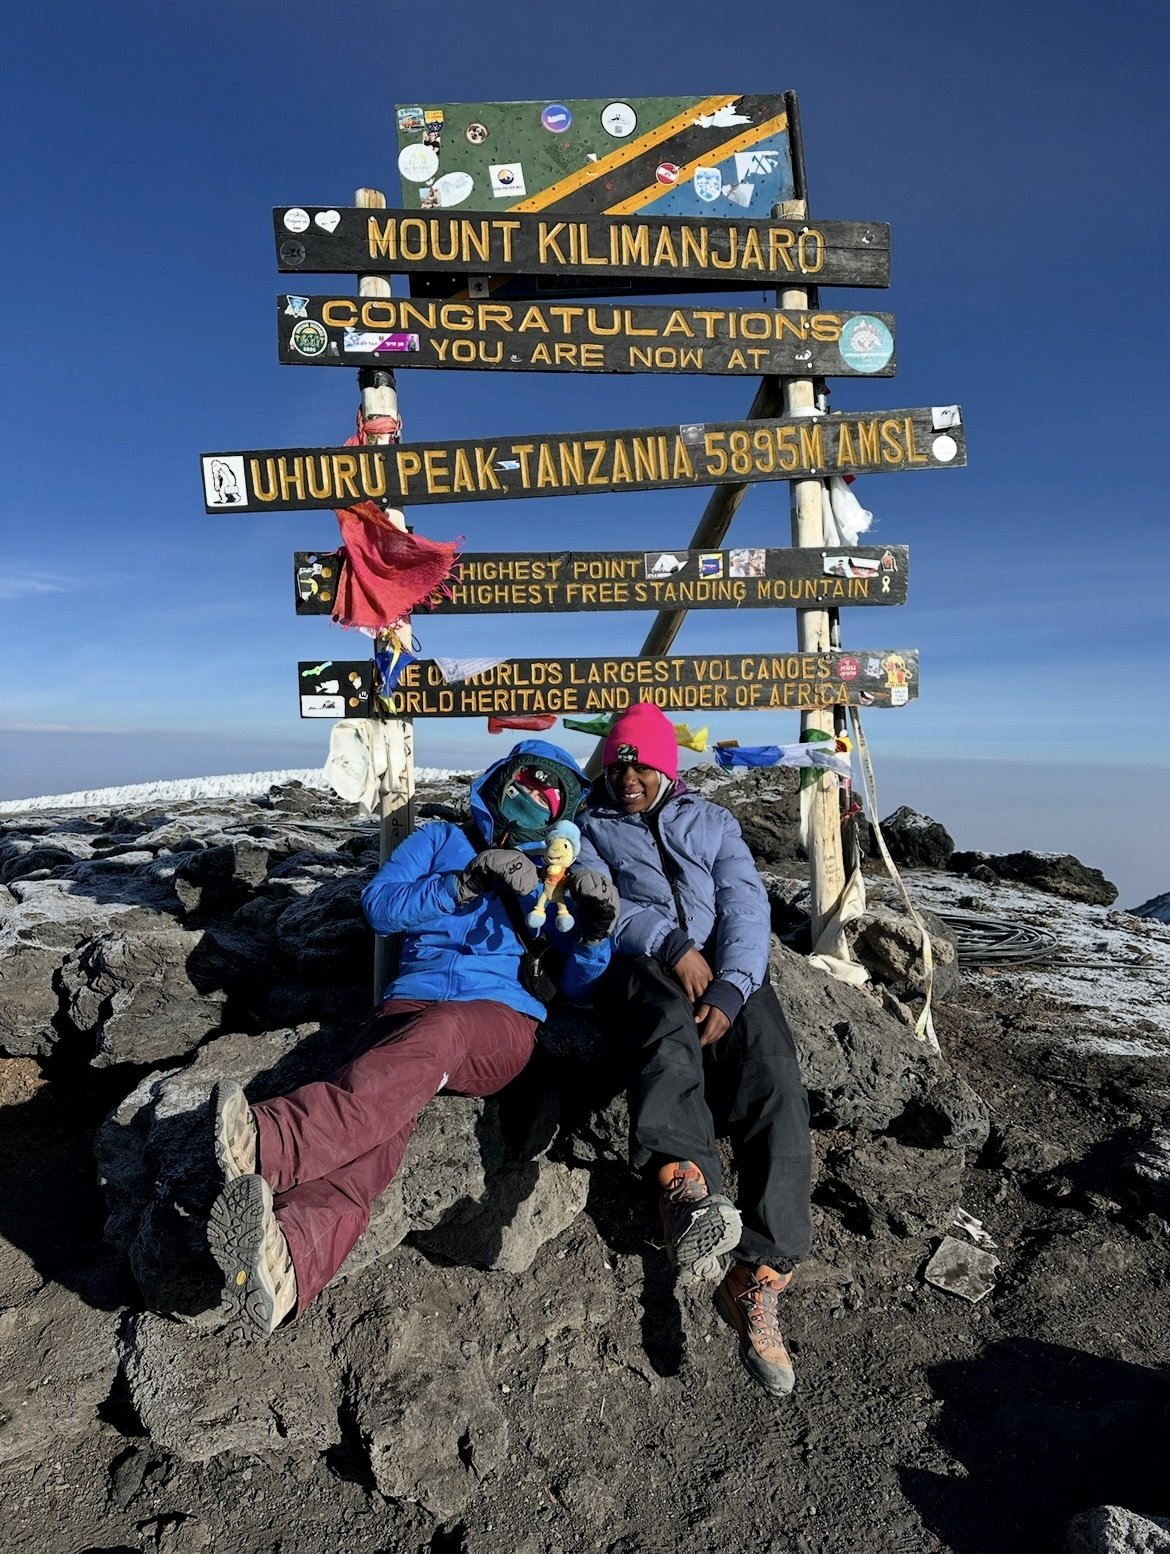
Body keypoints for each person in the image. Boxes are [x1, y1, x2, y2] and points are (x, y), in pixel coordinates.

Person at [206, 740, 618, 1338]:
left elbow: (579, 985)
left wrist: (596, 932)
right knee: (385, 1115)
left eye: (547, 797)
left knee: (437, 1037)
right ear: (499, 782)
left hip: (498, 1023)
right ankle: (291, 1258)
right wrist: (465, 882)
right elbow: (380, 907)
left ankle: (275, 1141)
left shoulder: (550, 877)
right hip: (407, 1005)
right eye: (524, 785)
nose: (531, 800)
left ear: (561, 816)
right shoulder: (437, 840)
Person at [577, 702, 813, 1396]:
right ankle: (686, 1187)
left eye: (642, 765)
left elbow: (746, 905)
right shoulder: (589, 826)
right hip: (645, 958)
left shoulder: (712, 822)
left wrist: (735, 986)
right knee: (663, 1034)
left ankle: (759, 1273)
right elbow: (598, 901)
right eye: (620, 764)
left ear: (666, 766)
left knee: (775, 1077)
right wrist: (670, 945)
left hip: (725, 968)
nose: (629, 778)